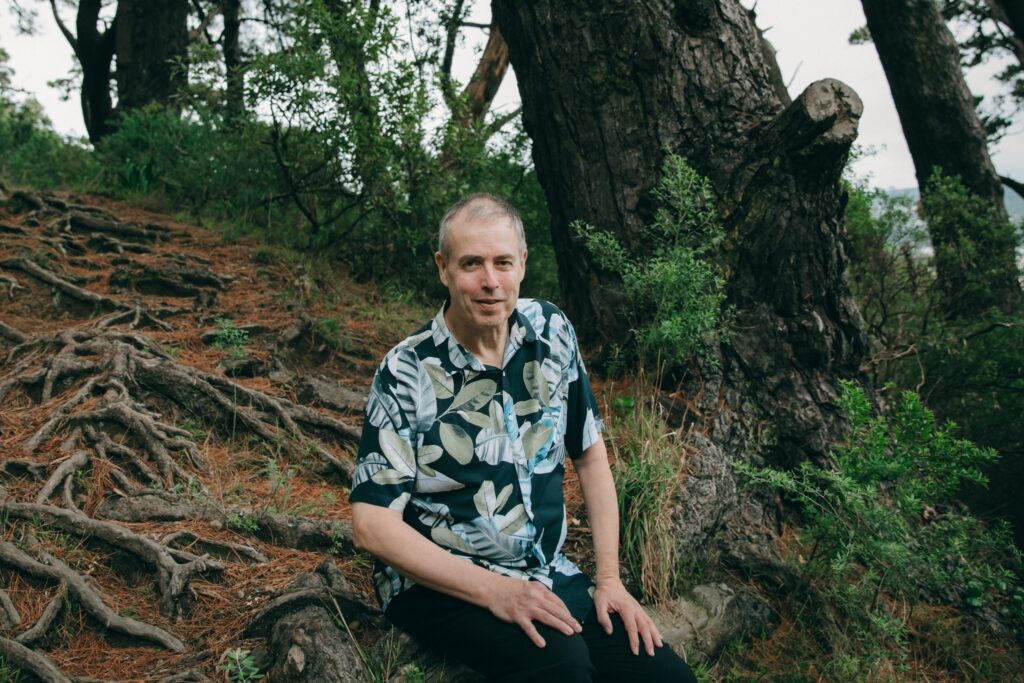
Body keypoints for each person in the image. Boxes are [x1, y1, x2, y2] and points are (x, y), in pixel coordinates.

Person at [349, 193, 696, 682]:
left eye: (502, 263)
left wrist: (610, 580)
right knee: (566, 668)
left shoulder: (552, 331)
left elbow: (591, 457)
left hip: (546, 571)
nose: (490, 281)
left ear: (523, 265)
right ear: (442, 268)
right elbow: (371, 525)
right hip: (440, 585)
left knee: (667, 679)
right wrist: (496, 592)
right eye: (471, 264)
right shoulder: (406, 371)